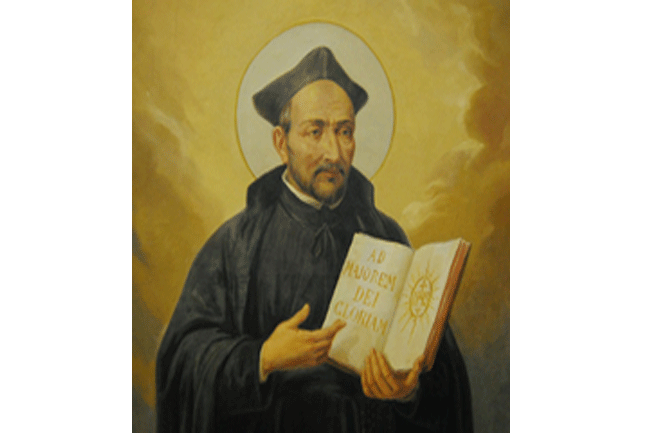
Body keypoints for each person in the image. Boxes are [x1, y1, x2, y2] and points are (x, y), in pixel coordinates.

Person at [155, 46, 473, 433]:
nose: (333, 152)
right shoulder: (237, 244)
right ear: (281, 142)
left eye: (344, 131)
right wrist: (261, 358)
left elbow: (440, 367)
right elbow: (182, 359)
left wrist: (408, 390)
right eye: (315, 131)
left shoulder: (387, 236)